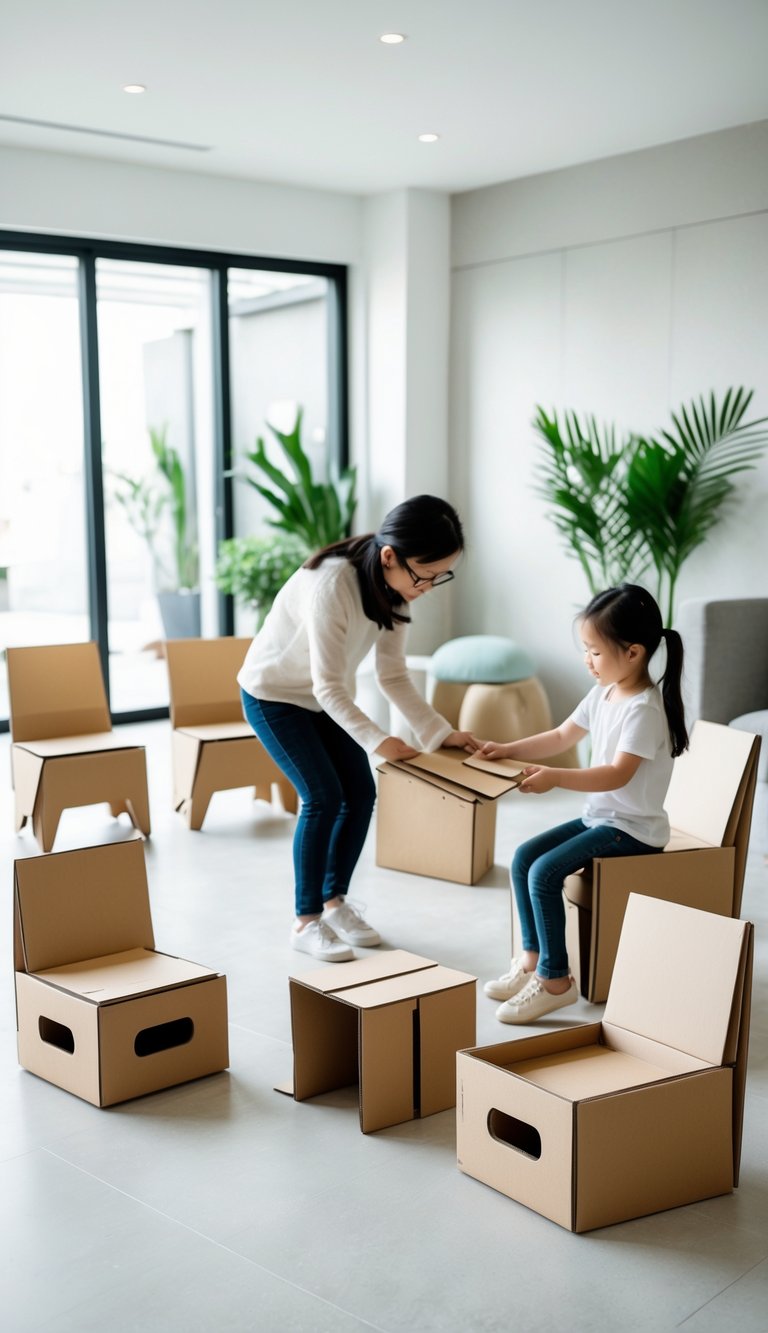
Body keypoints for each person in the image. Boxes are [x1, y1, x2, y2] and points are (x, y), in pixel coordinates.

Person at [238, 494, 478, 963]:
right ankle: (306, 921)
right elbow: (328, 686)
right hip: (274, 694)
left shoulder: (397, 589)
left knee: (361, 793)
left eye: (438, 577)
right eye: (424, 575)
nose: (428, 587)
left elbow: (392, 675)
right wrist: (380, 740)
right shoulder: (333, 585)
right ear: (390, 556)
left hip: (322, 698)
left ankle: (335, 903)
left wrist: (439, 732)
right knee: (323, 796)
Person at [479, 583, 688, 1023]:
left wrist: (555, 778)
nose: (586, 660)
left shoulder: (644, 710)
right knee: (523, 858)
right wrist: (506, 749)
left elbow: (617, 774)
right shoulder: (605, 693)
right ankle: (533, 960)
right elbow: (560, 736)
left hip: (634, 831)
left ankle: (556, 981)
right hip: (602, 820)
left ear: (633, 653)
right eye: (585, 650)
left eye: (594, 651)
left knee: (544, 872)